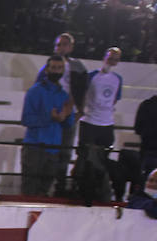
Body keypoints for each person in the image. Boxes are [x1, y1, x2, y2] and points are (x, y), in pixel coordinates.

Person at [21, 54, 75, 196]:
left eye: (59, 68)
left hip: (53, 149)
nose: (56, 71)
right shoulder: (35, 91)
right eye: (53, 68)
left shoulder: (64, 95)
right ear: (47, 70)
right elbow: (26, 119)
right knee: (29, 190)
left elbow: (68, 124)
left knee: (44, 191)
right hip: (35, 147)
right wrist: (49, 118)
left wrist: (66, 115)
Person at [76, 46, 123, 202]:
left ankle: (98, 190)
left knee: (103, 159)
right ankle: (81, 189)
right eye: (110, 58)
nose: (112, 61)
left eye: (116, 59)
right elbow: (81, 96)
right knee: (84, 157)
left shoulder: (117, 79)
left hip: (106, 124)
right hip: (89, 122)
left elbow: (115, 99)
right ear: (104, 57)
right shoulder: (92, 76)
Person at [47, 33, 87, 196]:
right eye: (58, 45)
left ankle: (60, 186)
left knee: (65, 151)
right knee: (50, 150)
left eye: (64, 44)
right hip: (52, 114)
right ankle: (47, 183)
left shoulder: (77, 66)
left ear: (70, 47)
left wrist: (80, 110)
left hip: (70, 113)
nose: (61, 48)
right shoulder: (49, 66)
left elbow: (83, 89)